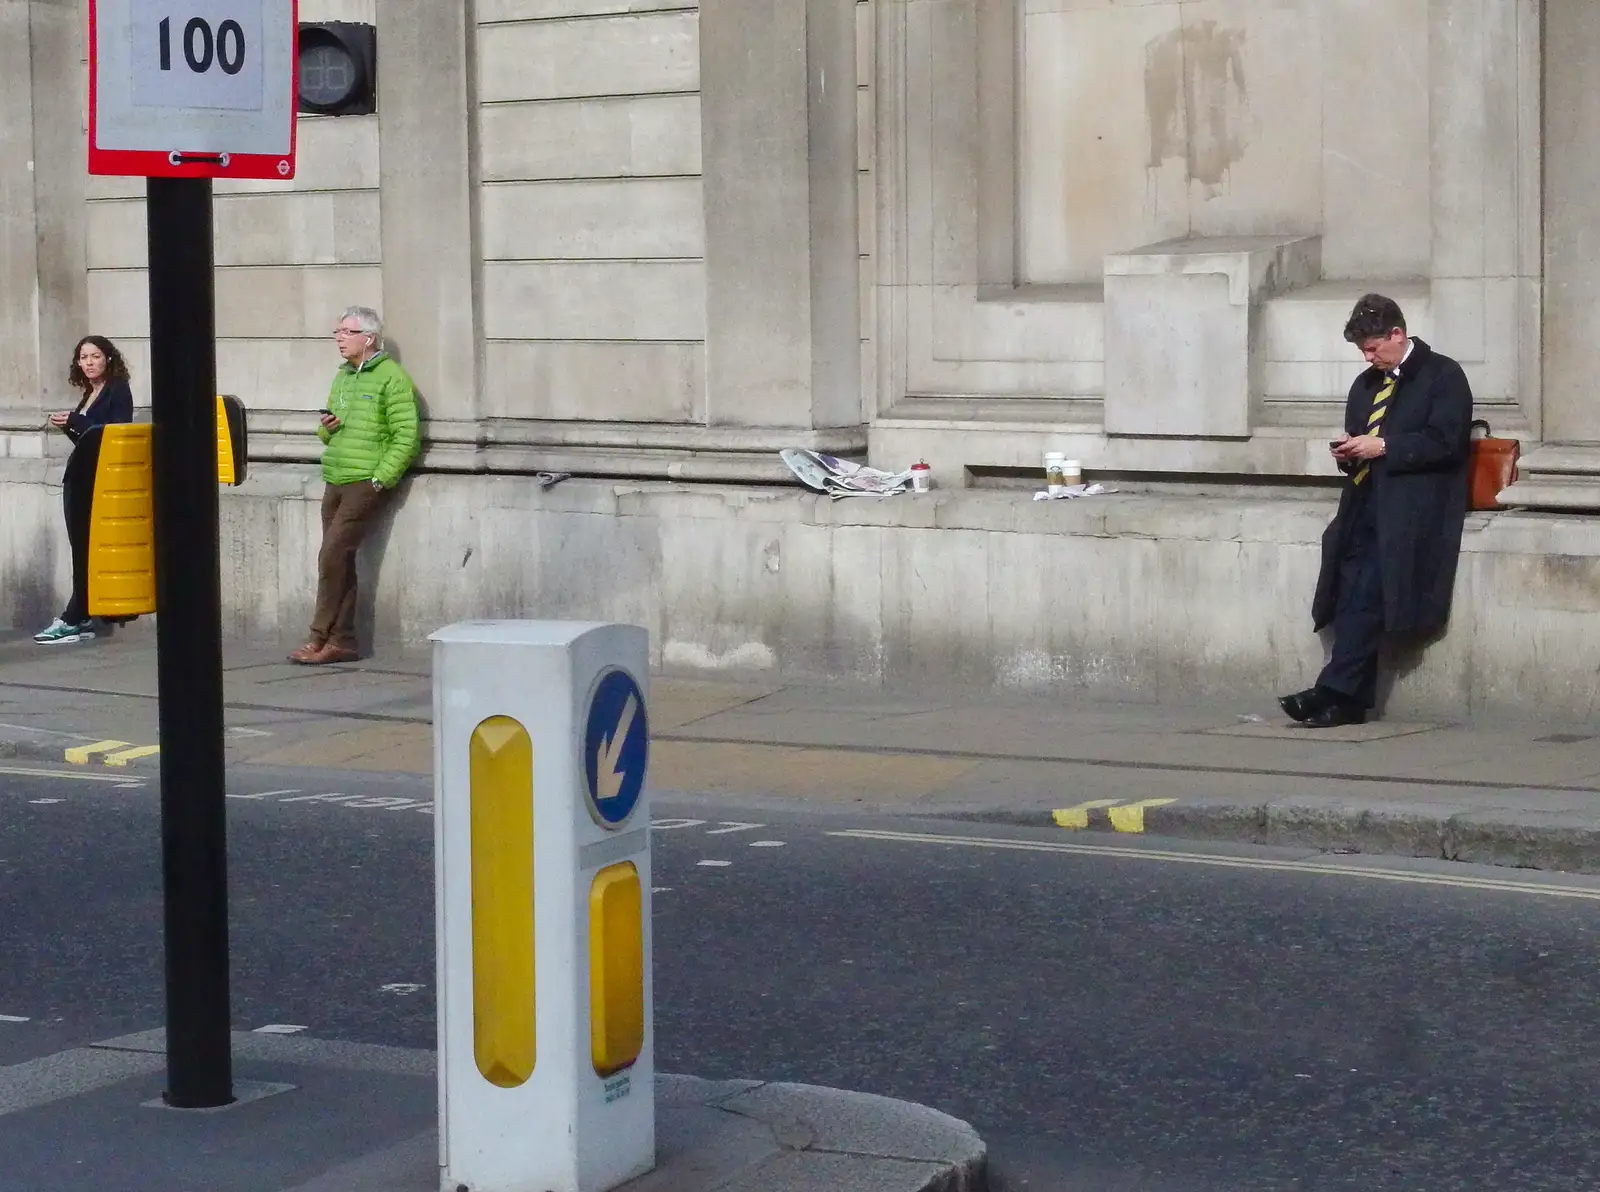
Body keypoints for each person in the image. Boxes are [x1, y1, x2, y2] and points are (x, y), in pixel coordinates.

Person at [1279, 294, 1473, 727]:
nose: (1369, 358)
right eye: (1363, 351)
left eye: (1373, 347)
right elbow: (1360, 435)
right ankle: (1347, 700)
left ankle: (1331, 691)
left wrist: (1383, 446)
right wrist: (1350, 452)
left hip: (1411, 513)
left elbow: (1446, 442)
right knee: (1349, 592)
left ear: (1397, 334)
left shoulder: (1443, 375)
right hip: (1365, 503)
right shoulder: (1366, 384)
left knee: (1368, 594)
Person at [289, 306, 420, 665]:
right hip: (336, 477)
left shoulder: (392, 378)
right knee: (338, 560)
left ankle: (319, 636)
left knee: (331, 554)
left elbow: (406, 434)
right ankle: (342, 640)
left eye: (346, 332)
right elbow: (325, 431)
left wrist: (381, 479)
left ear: (369, 338)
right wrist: (326, 427)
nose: (339, 339)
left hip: (365, 481)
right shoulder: (343, 376)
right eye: (337, 332)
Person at [34, 336, 135, 645]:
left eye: (95, 356)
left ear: (108, 359)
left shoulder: (117, 389)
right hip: (81, 476)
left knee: (87, 547)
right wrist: (71, 425)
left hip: (99, 481)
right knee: (81, 546)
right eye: (83, 357)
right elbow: (88, 439)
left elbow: (117, 432)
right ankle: (82, 614)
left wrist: (78, 421)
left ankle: (76, 616)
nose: (89, 362)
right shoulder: (90, 392)